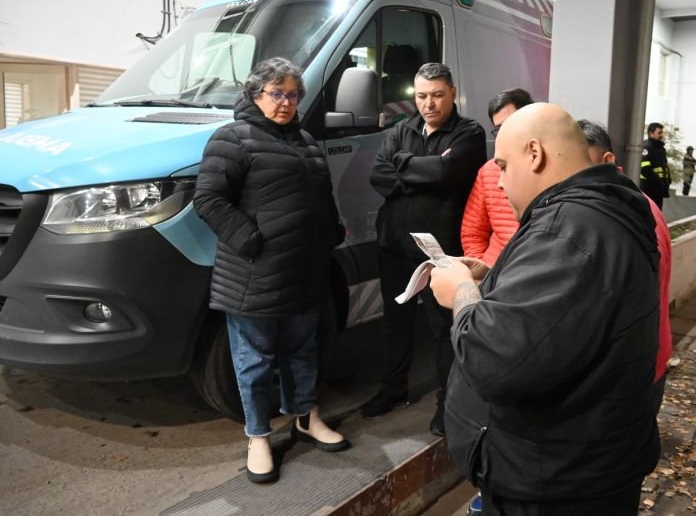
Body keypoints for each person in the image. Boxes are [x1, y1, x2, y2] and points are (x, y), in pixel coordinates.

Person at [432, 104, 660, 515]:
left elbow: (490, 357)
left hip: (555, 484)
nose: (499, 183)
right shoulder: (600, 211)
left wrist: (462, 291)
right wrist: (494, 280)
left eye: (502, 165)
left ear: (534, 154)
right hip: (582, 467)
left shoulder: (567, 230)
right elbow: (563, 317)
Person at [193, 57, 350, 485]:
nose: (285, 102)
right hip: (254, 275)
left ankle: (305, 416)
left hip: (305, 271)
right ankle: (258, 436)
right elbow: (208, 199)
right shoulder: (232, 137)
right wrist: (251, 242)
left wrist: (332, 230)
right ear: (255, 94)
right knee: (254, 362)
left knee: (304, 352)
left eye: (292, 94)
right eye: (276, 93)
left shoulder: (305, 140)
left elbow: (322, 195)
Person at [362, 62, 486, 437]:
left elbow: (447, 174)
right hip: (394, 244)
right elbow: (378, 175)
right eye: (420, 96)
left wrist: (406, 166)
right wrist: (422, 169)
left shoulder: (469, 132)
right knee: (395, 324)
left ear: (452, 93)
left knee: (441, 329)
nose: (428, 104)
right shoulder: (402, 129)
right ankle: (393, 390)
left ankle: (447, 403)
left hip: (440, 252)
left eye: (436, 95)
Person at [579, 119, 672, 416]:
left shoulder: (618, 216)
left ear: (608, 160)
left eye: (581, 165)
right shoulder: (631, 204)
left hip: (627, 375)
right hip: (645, 362)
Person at [460, 88, 533, 266]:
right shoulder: (488, 171)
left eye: (511, 124)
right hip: (495, 273)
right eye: (499, 129)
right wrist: (483, 269)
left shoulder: (552, 169)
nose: (505, 134)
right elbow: (472, 232)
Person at [640, 122, 672, 208]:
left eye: (662, 132)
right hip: (648, 188)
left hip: (658, 188)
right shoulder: (647, 147)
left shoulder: (661, 149)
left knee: (657, 212)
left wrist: (667, 180)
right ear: (651, 133)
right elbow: (644, 169)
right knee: (650, 213)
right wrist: (658, 181)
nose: (661, 135)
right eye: (659, 133)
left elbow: (664, 166)